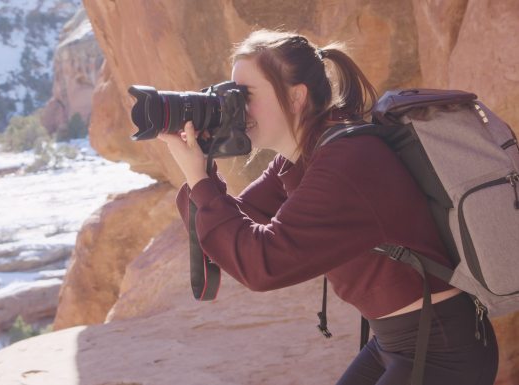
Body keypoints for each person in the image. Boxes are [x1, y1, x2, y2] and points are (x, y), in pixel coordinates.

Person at [157, 29, 498, 385]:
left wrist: (199, 181)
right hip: (397, 342)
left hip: (443, 350)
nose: (235, 109)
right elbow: (237, 224)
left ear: (296, 97)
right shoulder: (302, 157)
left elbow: (261, 263)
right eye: (230, 95)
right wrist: (203, 169)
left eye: (245, 96)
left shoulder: (346, 160)